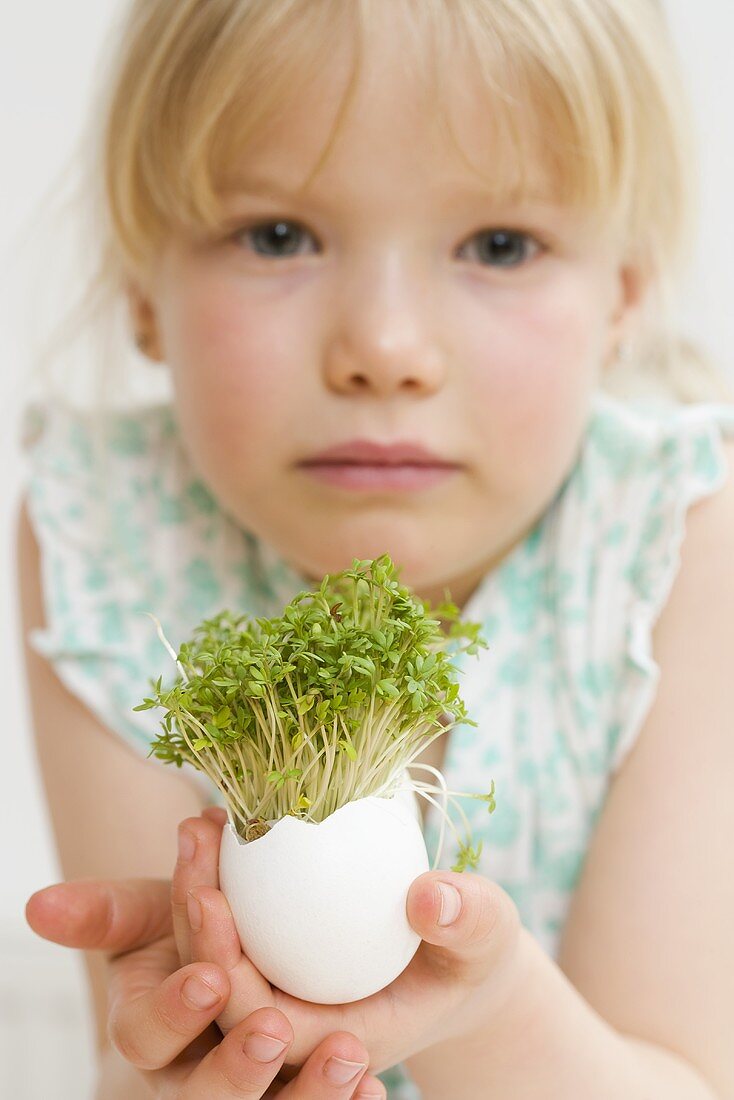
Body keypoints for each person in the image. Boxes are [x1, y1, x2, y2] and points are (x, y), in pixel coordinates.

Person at [16, 0, 734, 1096]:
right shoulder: (107, 538)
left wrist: (478, 1008)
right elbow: (148, 1052)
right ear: (141, 289)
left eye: (498, 245)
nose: (384, 349)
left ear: (620, 296)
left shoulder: (674, 547)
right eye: (277, 235)